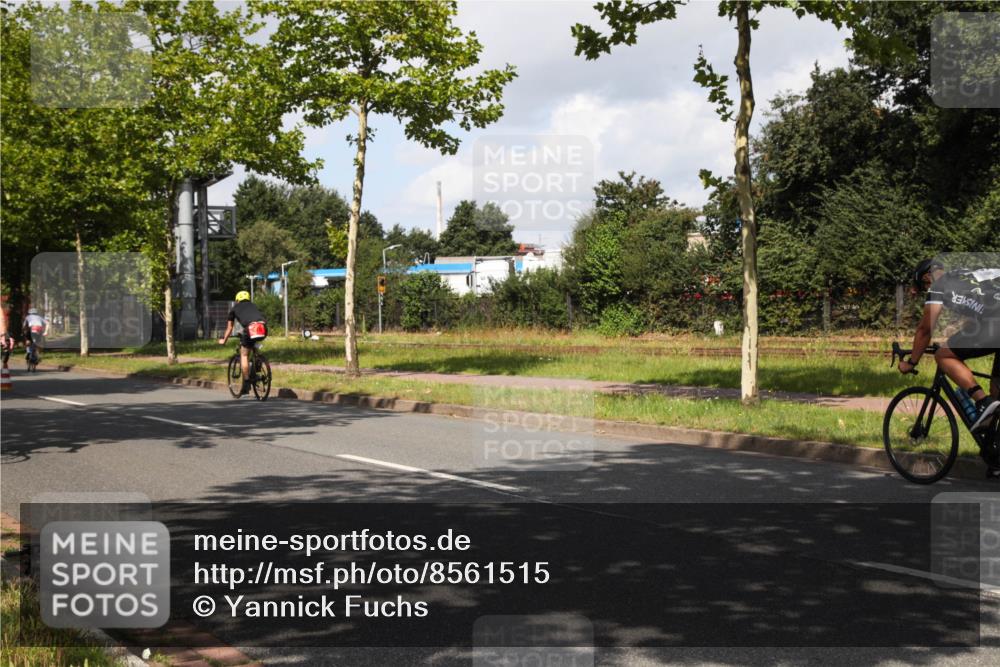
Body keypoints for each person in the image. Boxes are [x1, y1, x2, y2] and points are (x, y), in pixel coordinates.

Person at [901, 259, 1000, 459]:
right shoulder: (966, 275)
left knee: (943, 355)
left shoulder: (938, 287)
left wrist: (911, 361)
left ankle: (981, 402)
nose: (925, 290)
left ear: (928, 276)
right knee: (997, 391)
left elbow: (925, 329)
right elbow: (976, 318)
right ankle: (996, 453)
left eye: (923, 285)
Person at [218, 291, 267, 396]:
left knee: (244, 354)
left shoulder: (234, 308)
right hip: (262, 327)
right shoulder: (253, 305)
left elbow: (230, 328)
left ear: (237, 300)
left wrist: (224, 340)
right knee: (253, 343)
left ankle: (247, 381)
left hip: (250, 329)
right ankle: (258, 361)